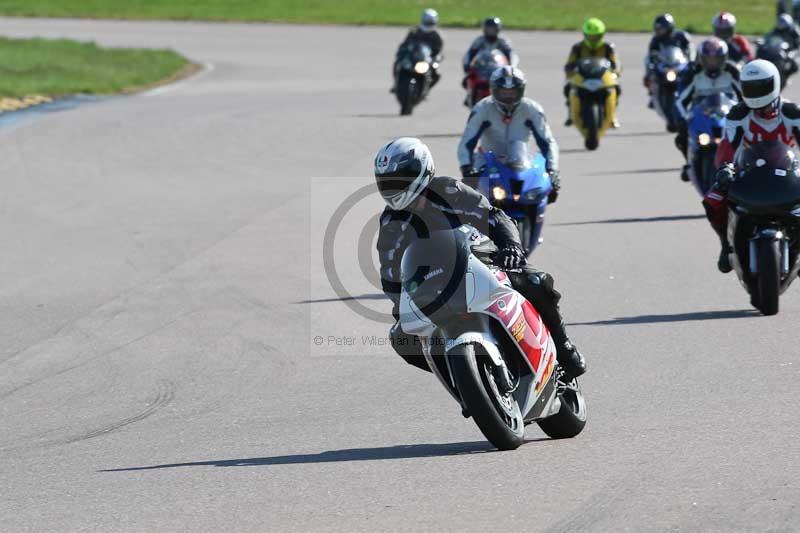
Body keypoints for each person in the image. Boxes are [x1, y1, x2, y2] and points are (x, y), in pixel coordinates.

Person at [374, 137, 586, 379]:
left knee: (536, 282)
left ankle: (564, 347)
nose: (395, 187)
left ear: (422, 169)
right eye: (388, 182)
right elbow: (390, 273)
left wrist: (511, 247)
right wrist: (400, 304)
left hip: (481, 263)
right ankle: (459, 377)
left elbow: (494, 217)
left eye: (401, 178)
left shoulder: (448, 191)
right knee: (401, 338)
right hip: (434, 287)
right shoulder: (391, 223)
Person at [702, 59, 800, 272]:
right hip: (749, 171)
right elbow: (729, 146)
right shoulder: (738, 114)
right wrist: (726, 167)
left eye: (761, 88)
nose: (755, 95)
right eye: (750, 88)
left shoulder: (792, 112)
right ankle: (726, 245)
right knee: (713, 200)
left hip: (788, 172)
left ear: (773, 85)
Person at [456, 66, 559, 197]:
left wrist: (552, 169)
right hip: (488, 163)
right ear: (494, 90)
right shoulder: (482, 108)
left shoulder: (533, 109)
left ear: (521, 90)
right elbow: (466, 142)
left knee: (546, 192)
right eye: (504, 93)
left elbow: (548, 142)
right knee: (473, 200)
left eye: (513, 92)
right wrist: (466, 168)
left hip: (523, 163)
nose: (509, 97)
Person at [674, 38, 743, 181]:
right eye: (709, 59)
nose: (713, 63)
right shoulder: (694, 74)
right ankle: (688, 164)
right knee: (681, 136)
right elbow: (681, 101)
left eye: (717, 59)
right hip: (702, 117)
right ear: (702, 59)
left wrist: (745, 113)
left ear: (724, 59)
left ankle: (745, 162)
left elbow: (745, 97)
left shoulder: (732, 72)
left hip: (728, 116)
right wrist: (684, 117)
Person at [563, 17, 621, 127]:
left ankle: (612, 115)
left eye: (596, 36)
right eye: (590, 36)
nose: (592, 39)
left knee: (617, 89)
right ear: (585, 35)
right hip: (582, 77)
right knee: (567, 88)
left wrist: (615, 73)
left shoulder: (608, 48)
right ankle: (571, 113)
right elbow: (570, 63)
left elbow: (616, 63)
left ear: (602, 35)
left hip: (603, 77)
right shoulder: (577, 48)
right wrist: (569, 73)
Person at [644, 13, 694, 108]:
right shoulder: (655, 40)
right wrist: (652, 64)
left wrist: (690, 59)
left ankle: (694, 93)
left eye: (661, 28)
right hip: (665, 65)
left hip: (680, 64)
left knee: (692, 74)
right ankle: (653, 94)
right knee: (652, 74)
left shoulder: (682, 36)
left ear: (669, 27)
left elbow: (691, 49)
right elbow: (651, 55)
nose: (658, 31)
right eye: (657, 29)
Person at [392, 9, 443, 92]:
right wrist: (401, 53)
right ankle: (396, 84)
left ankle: (426, 89)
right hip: (413, 57)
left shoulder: (437, 36)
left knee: (436, 74)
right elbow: (405, 44)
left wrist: (436, 59)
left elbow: (438, 51)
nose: (428, 25)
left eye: (430, 23)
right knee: (397, 64)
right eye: (427, 22)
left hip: (426, 59)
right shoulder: (414, 31)